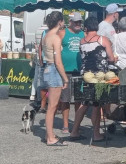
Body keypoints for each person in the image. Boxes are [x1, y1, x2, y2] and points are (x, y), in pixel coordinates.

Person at [68, 17, 117, 142]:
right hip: (99, 77)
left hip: (86, 76)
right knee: (96, 105)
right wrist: (114, 59)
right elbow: (111, 58)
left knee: (84, 104)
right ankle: (96, 134)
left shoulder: (82, 41)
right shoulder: (102, 39)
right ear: (96, 26)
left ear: (86, 27)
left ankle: (74, 132)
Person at [40, 11, 69, 146]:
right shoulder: (56, 38)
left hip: (47, 68)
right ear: (59, 22)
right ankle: (50, 138)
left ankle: (49, 134)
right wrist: (65, 78)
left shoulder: (46, 36)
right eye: (63, 21)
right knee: (52, 106)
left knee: (51, 106)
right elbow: (58, 62)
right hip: (54, 70)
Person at [60, 12, 84, 133]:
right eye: (76, 22)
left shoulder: (83, 34)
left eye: (80, 22)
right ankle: (65, 125)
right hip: (65, 71)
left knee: (78, 99)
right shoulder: (63, 33)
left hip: (79, 71)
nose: (78, 24)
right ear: (70, 22)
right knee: (65, 99)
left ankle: (76, 125)